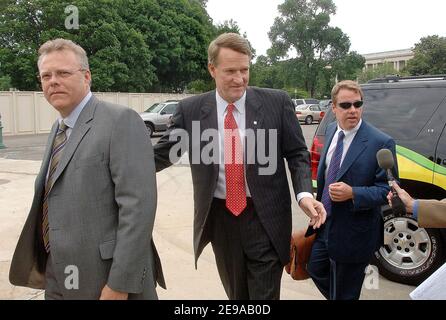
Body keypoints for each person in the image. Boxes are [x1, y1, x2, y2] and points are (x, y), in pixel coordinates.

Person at [154, 33, 326, 300]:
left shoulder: (276, 103)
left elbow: (296, 153)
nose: (239, 79)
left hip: (265, 217)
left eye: (244, 70)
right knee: (237, 295)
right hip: (222, 220)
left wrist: (304, 194)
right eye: (230, 71)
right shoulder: (191, 110)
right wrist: (117, 165)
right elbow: (165, 153)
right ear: (212, 69)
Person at [9, 38, 165, 299]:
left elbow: (138, 208)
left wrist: (120, 284)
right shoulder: (58, 130)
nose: (53, 81)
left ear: (87, 76)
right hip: (57, 273)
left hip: (104, 278)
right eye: (46, 75)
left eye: (63, 73)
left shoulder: (120, 121)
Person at [307, 80, 397, 300]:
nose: (353, 110)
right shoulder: (330, 131)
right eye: (346, 105)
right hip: (325, 225)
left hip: (355, 233)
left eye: (358, 104)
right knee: (315, 268)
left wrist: (353, 193)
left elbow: (389, 190)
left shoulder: (381, 142)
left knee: (345, 290)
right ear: (334, 108)